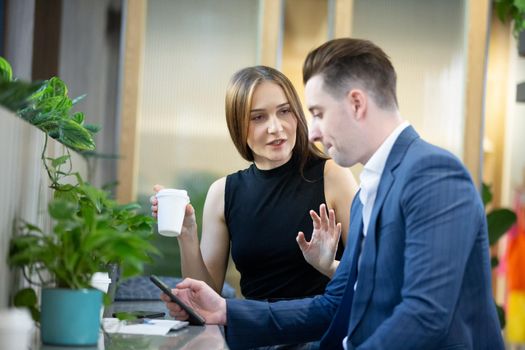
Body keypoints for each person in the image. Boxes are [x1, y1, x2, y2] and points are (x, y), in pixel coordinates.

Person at [161, 38, 505, 350]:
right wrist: (226, 311)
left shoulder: (432, 174)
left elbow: (425, 315)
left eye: (317, 114)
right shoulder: (371, 188)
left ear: (356, 103)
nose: (312, 132)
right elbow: (334, 305)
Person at [151, 66, 357, 301]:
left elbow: (368, 277)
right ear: (238, 126)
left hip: (320, 332)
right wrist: (186, 234)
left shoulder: (332, 175)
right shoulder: (223, 192)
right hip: (254, 331)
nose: (276, 127)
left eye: (284, 111)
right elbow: (203, 297)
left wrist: (329, 265)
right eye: (258, 117)